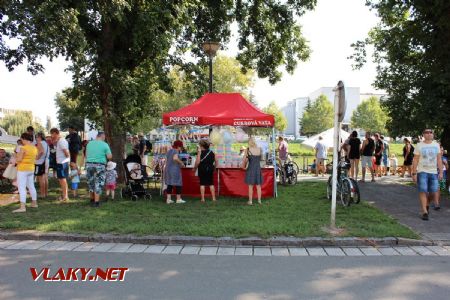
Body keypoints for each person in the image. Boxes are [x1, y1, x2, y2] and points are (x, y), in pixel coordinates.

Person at [412, 129, 443, 220]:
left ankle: (427, 204)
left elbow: (439, 159)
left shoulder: (436, 145)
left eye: (431, 132)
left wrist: (440, 172)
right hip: (422, 171)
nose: (429, 134)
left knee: (433, 192)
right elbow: (416, 160)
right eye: (427, 132)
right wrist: (414, 173)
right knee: (423, 190)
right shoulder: (419, 145)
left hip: (433, 172)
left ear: (433, 134)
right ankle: (424, 211)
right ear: (423, 135)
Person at [85, 131, 112, 207]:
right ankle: (96, 203)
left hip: (89, 165)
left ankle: (91, 200)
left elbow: (86, 155)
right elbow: (109, 156)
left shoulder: (89, 144)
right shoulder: (105, 144)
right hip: (100, 166)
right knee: (98, 183)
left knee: (91, 182)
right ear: (103, 137)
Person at [12, 133, 38, 213]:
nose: (21, 141)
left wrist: (14, 158)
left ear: (24, 139)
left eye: (21, 139)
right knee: (31, 186)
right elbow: (35, 158)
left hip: (22, 169)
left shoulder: (23, 148)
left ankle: (22, 207)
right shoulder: (34, 148)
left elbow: (19, 159)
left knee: (21, 188)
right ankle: (34, 203)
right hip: (31, 168)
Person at [50, 128, 70, 202]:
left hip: (62, 163)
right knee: (62, 180)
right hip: (62, 162)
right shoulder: (60, 141)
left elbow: (66, 152)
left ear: (55, 133)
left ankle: (65, 196)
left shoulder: (61, 141)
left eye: (52, 134)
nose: (51, 136)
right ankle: (65, 195)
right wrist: (53, 141)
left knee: (62, 180)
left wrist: (67, 157)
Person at [242, 137, 264, 205]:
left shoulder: (247, 149)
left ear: (249, 142)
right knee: (258, 186)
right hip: (257, 168)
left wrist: (243, 166)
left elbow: (244, 160)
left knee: (250, 186)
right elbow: (262, 159)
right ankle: (259, 201)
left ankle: (250, 201)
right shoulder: (260, 149)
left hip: (251, 169)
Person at [164, 140, 185, 204]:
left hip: (168, 169)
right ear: (178, 146)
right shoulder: (176, 151)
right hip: (174, 169)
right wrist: (181, 163)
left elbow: (166, 160)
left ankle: (168, 199)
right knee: (178, 183)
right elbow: (175, 158)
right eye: (180, 146)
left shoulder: (169, 151)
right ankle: (178, 199)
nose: (181, 148)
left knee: (169, 184)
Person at [35, 132, 50, 198]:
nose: (36, 138)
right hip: (46, 161)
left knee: (41, 178)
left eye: (36, 137)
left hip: (40, 162)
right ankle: (46, 193)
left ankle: (42, 194)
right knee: (45, 178)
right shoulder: (46, 143)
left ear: (40, 137)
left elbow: (41, 151)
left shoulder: (40, 143)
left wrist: (37, 158)